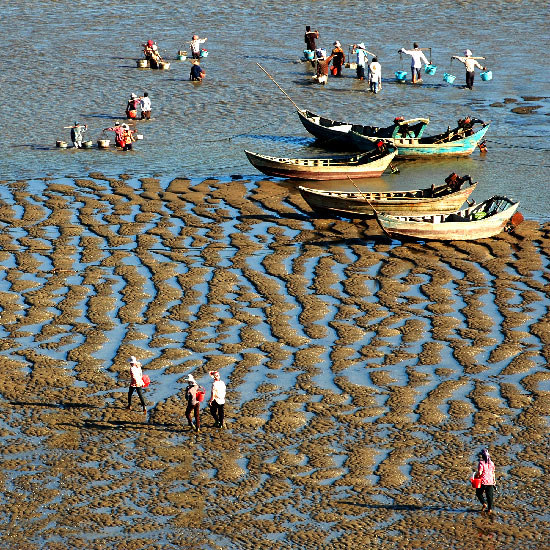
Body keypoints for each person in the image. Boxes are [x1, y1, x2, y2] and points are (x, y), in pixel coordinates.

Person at [475, 448, 496, 513]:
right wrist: (494, 481)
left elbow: (480, 473)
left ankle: (484, 503)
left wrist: (476, 476)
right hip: (490, 482)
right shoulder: (492, 463)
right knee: (490, 496)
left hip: (483, 482)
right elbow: (493, 473)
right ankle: (490, 509)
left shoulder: (481, 463)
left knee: (478, 493)